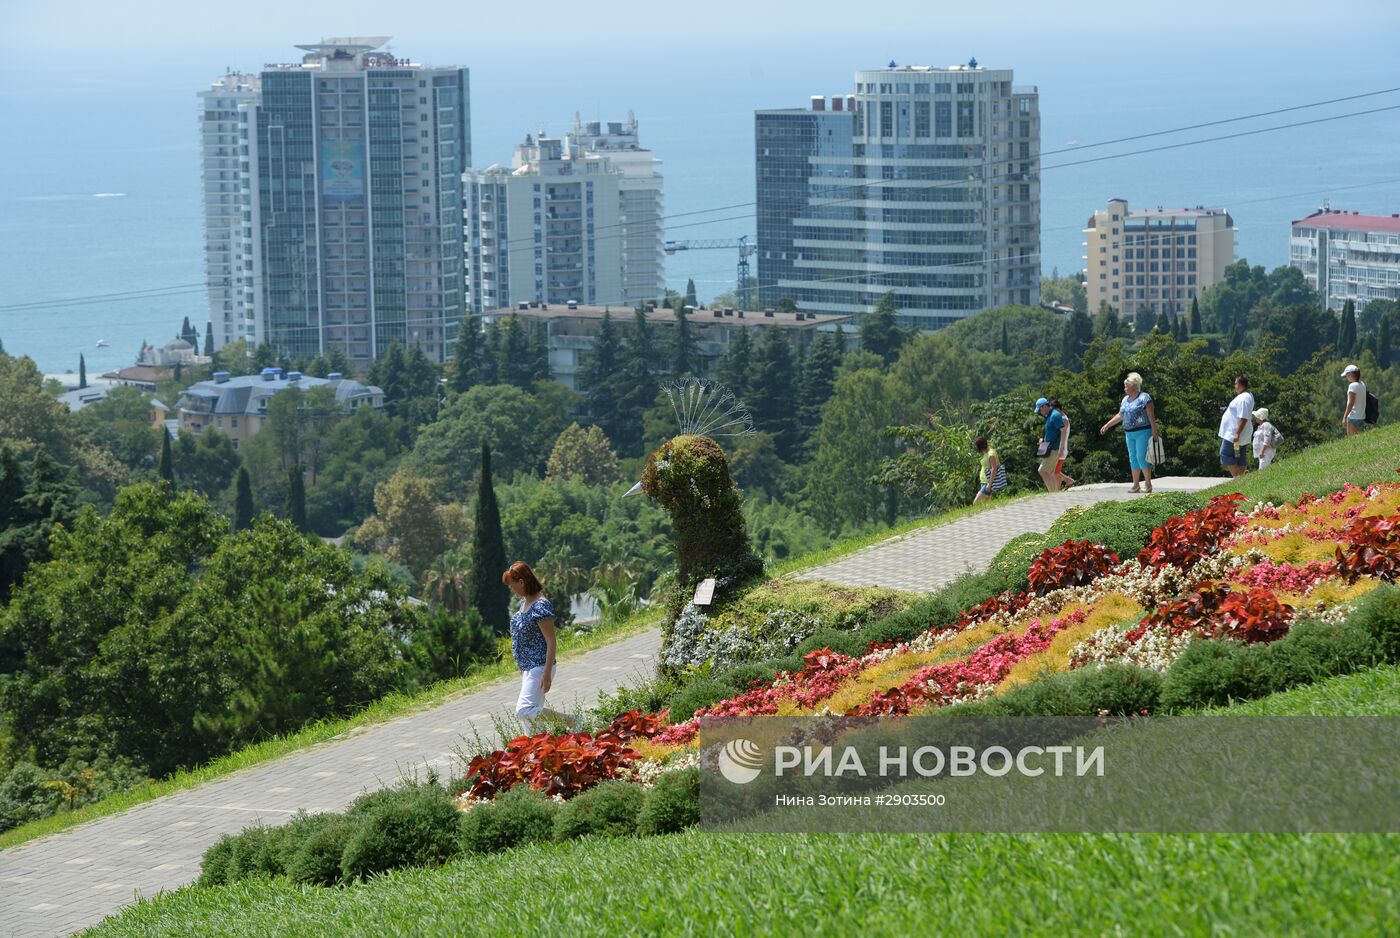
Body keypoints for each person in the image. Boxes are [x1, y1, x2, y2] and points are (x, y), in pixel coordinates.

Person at [503, 561, 565, 727]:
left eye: (512, 584)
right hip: (529, 669)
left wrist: (546, 674)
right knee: (531, 724)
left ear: (521, 582)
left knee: (524, 710)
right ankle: (538, 749)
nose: (511, 588)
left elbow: (551, 641)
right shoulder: (524, 603)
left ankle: (570, 720)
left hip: (540, 666)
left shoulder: (540, 605)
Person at [1098, 371, 1158, 493]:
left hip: (1143, 431)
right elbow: (1120, 415)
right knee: (1133, 458)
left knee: (1141, 457)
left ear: (1134, 386)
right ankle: (1136, 485)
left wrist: (1154, 430)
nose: (1124, 388)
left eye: (1126, 386)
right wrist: (1107, 425)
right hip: (1129, 433)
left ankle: (1148, 484)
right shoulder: (1125, 399)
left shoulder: (1145, 398)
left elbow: (1151, 415)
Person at [1218, 374, 1255, 478]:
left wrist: (1237, 433)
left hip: (1234, 433)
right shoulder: (1247, 396)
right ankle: (1240, 477)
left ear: (1238, 384)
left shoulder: (1243, 398)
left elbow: (1243, 417)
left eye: (1235, 383)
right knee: (1238, 455)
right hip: (1238, 433)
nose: (1235, 386)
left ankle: (1237, 477)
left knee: (1226, 453)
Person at [1033, 397, 1067, 492]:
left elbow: (1063, 431)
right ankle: (1054, 492)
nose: (1039, 412)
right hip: (1049, 447)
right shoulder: (1049, 415)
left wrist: (1061, 448)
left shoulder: (1055, 415)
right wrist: (1043, 440)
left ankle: (1052, 493)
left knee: (1042, 471)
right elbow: (1052, 432)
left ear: (1044, 406)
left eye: (1040, 409)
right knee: (1051, 472)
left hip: (1054, 448)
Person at [1049, 399, 1076, 489]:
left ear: (1058, 409)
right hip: (1059, 448)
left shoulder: (1064, 420)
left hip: (1061, 448)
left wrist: (1060, 448)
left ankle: (1061, 486)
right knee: (1054, 470)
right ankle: (1068, 481)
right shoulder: (1062, 418)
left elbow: (1062, 436)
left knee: (1054, 471)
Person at [973, 436, 1007, 503]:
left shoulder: (991, 454)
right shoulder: (986, 453)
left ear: (981, 446)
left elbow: (994, 469)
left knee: (976, 503)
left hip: (987, 482)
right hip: (984, 481)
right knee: (985, 505)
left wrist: (989, 484)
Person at [1341, 364, 1368, 435]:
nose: (1346, 377)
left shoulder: (1352, 386)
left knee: (1351, 440)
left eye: (1347, 375)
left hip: (1353, 417)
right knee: (1358, 439)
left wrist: (1345, 417)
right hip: (1361, 416)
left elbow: (1351, 403)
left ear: (1351, 374)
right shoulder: (1362, 384)